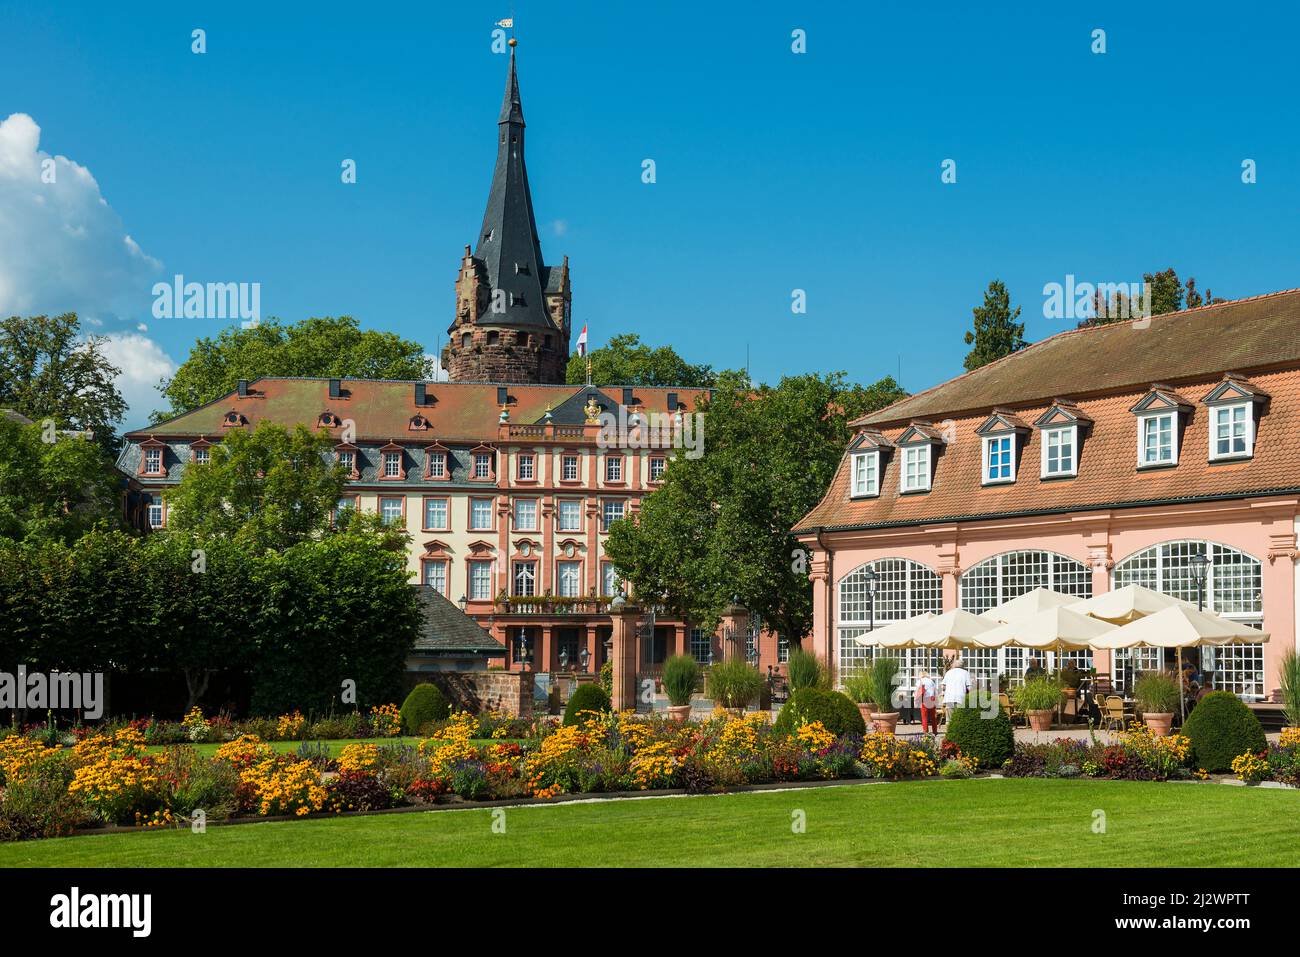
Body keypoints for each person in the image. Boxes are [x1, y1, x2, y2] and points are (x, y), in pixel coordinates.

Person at [941, 658, 972, 724]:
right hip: (960, 698)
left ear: (954, 665)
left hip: (949, 697)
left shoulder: (948, 672)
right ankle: (958, 733)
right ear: (962, 665)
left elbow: (943, 686)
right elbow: (969, 687)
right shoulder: (965, 673)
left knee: (949, 719)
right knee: (960, 717)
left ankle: (949, 733)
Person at [914, 669, 939, 734]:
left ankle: (925, 731)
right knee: (933, 716)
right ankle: (935, 731)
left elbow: (917, 692)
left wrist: (915, 700)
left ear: (921, 675)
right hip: (932, 699)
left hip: (924, 699)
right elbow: (935, 692)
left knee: (924, 716)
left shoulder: (920, 681)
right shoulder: (931, 681)